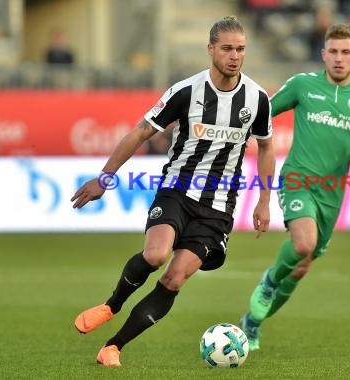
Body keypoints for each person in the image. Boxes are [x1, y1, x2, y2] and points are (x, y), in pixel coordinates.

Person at [71, 16, 275, 367]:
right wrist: (104, 178)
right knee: (155, 256)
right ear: (211, 49)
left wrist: (264, 200)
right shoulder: (186, 92)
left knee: (174, 277)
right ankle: (111, 305)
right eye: (227, 48)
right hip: (177, 190)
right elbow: (139, 133)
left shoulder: (256, 98)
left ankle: (113, 347)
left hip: (219, 207)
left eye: (240, 49)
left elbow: (267, 148)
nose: (234, 56)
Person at [239, 23, 350, 351]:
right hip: (298, 179)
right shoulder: (302, 85)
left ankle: (253, 323)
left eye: (346, 53)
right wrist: (242, 133)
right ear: (323, 54)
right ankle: (269, 282)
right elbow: (265, 111)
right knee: (303, 244)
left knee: (301, 267)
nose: (339, 59)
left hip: (333, 192)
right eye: (333, 52)